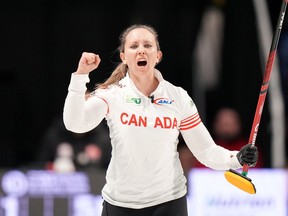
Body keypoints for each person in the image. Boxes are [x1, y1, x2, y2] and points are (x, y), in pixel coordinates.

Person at [63, 24, 258, 216]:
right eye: (134, 46)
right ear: (124, 57)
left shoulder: (178, 97)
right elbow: (75, 124)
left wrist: (236, 158)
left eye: (147, 45)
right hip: (120, 203)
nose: (141, 51)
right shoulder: (112, 94)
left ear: (158, 56)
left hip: (169, 202)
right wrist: (80, 77)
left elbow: (205, 150)